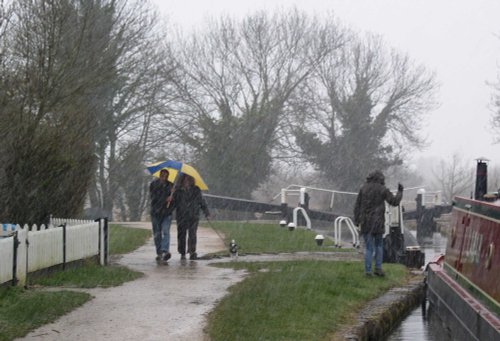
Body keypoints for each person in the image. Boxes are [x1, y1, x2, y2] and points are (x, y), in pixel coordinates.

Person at [353, 170, 403, 277]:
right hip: (378, 222)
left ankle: (367, 271)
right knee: (379, 245)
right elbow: (394, 202)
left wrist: (356, 220)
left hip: (366, 222)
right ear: (380, 179)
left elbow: (357, 206)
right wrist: (400, 192)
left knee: (368, 247)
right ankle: (378, 268)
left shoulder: (363, 188)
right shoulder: (382, 189)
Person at [169, 174, 210, 260]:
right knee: (181, 235)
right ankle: (182, 253)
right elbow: (173, 205)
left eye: (188, 178)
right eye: (184, 178)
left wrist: (207, 213)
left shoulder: (196, 190)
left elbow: (202, 201)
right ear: (182, 180)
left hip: (193, 216)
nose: (186, 180)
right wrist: (171, 197)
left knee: (192, 234)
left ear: (191, 179)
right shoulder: (177, 191)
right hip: (181, 216)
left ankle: (192, 252)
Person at [149, 169, 174, 262]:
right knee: (157, 234)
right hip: (156, 212)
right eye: (162, 174)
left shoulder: (171, 185)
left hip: (167, 213)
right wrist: (165, 199)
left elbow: (174, 201)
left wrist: (172, 197)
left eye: (166, 175)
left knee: (166, 231)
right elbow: (154, 198)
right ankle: (159, 252)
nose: (164, 176)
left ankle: (165, 251)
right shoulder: (153, 185)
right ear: (159, 175)